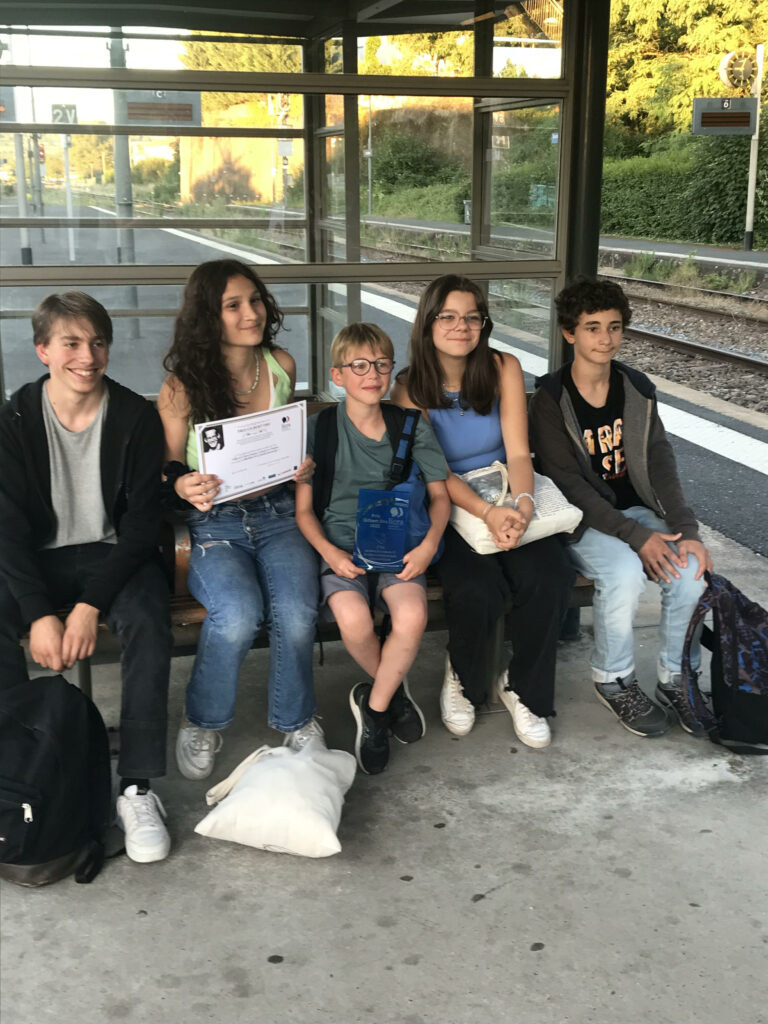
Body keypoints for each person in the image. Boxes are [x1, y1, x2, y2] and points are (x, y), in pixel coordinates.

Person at [0, 292, 172, 863]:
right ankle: (17, 769)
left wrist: (87, 606)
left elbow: (142, 527)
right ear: (43, 350)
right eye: (71, 343)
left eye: (98, 343)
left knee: (147, 615)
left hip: (113, 555)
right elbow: (6, 531)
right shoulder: (14, 420)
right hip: (40, 559)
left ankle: (137, 788)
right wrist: (38, 612)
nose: (88, 356)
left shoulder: (134, 416)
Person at [392, 275, 574, 748]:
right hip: (449, 501)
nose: (462, 326)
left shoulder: (502, 367)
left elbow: (518, 452)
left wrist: (522, 505)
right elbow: (435, 469)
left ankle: (523, 687)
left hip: (508, 491)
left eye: (472, 317)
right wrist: (485, 513)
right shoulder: (410, 387)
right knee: (477, 586)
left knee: (549, 575)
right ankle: (464, 676)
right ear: (428, 323)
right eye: (449, 316)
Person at [158, 259, 321, 781]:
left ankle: (296, 719)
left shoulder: (280, 365)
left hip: (279, 512)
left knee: (297, 611)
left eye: (255, 300)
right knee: (237, 614)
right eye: (233, 305)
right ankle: (202, 719)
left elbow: (285, 439)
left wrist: (301, 464)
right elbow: (167, 467)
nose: (251, 313)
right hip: (215, 524)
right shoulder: (182, 386)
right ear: (209, 315)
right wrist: (182, 483)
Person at [529, 276, 712, 737]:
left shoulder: (636, 388)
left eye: (614, 327)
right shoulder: (551, 399)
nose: (605, 338)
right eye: (592, 328)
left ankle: (678, 678)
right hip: (583, 521)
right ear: (570, 333)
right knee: (624, 575)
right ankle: (614, 680)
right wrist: (637, 537)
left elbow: (660, 460)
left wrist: (687, 530)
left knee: (690, 570)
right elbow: (570, 486)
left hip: (638, 513)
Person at [295, 323, 450, 775]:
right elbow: (304, 512)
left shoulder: (410, 426)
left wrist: (428, 546)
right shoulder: (319, 430)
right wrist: (329, 554)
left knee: (412, 615)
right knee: (354, 620)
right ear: (338, 375)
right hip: (340, 548)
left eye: (382, 365)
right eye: (359, 366)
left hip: (399, 546)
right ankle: (393, 690)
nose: (372, 375)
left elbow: (440, 497)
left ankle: (375, 710)